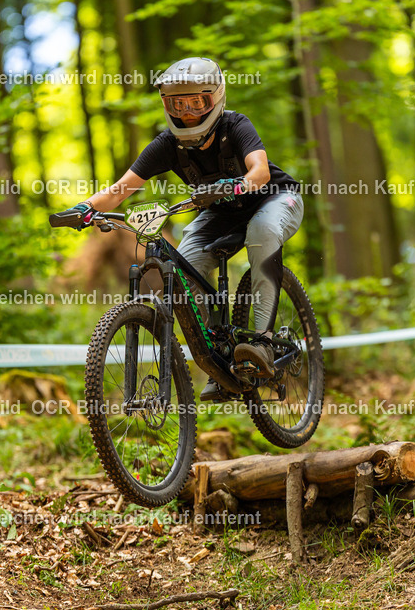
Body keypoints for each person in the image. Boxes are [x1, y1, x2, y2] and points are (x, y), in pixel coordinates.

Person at [67, 57, 304, 401]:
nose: (188, 112)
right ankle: (220, 358)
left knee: (263, 231)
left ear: (215, 98)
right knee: (180, 266)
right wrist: (84, 209)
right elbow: (121, 189)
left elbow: (260, 172)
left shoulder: (236, 125)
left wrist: (235, 185)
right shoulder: (167, 145)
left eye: (197, 102)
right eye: (178, 103)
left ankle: (265, 343)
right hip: (221, 212)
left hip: (274, 198)